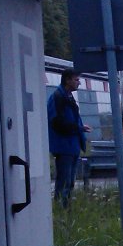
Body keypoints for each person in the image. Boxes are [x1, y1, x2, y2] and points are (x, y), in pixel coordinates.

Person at [47, 69, 91, 207]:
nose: (79, 83)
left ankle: (66, 208)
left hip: (71, 145)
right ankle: (61, 208)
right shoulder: (58, 97)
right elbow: (57, 122)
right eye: (76, 79)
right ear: (67, 80)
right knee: (64, 180)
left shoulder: (67, 97)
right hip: (64, 145)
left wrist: (79, 127)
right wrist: (78, 128)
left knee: (70, 181)